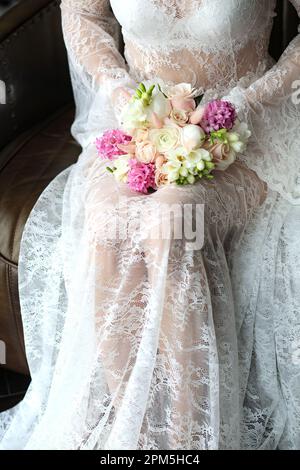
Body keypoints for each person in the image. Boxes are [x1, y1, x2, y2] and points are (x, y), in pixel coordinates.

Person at [0, 0, 299, 450]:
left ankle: (191, 444)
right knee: (106, 225)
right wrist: (121, 93)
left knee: (175, 222)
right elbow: (82, 13)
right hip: (138, 129)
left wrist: (247, 103)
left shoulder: (247, 113)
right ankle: (133, 435)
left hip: (246, 131)